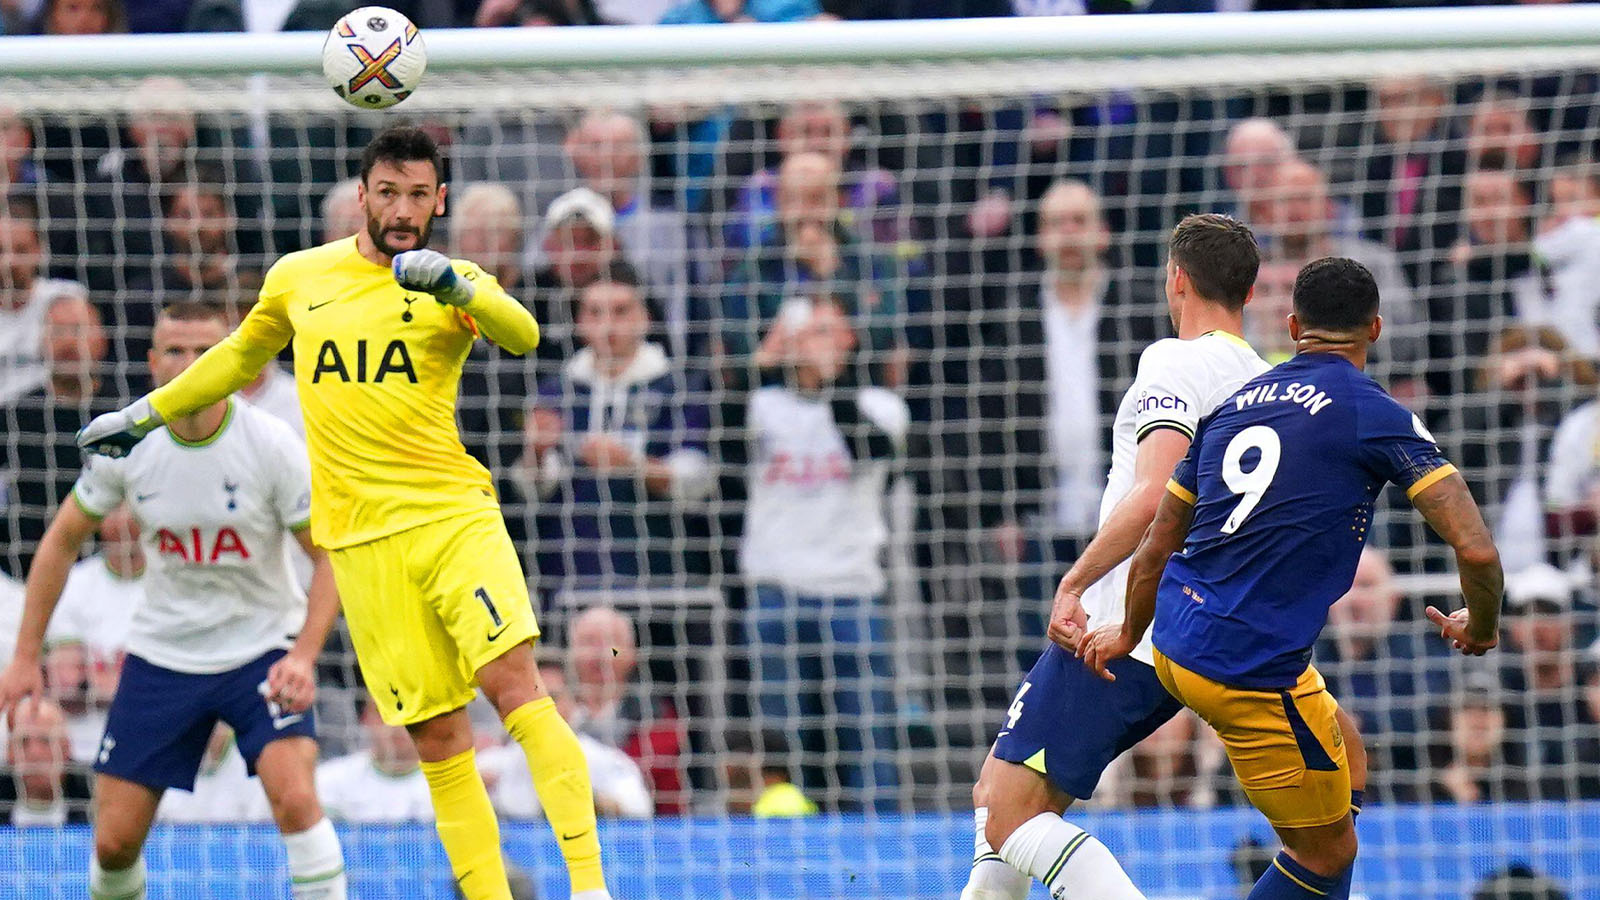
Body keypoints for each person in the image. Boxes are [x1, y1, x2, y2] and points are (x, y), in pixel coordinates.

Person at [74, 126, 612, 900]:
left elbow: (523, 335)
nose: (401, 210)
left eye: (418, 195)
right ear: (362, 195)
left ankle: (591, 888)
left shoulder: (449, 280)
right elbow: (236, 355)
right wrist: (149, 413)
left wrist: (464, 290)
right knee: (437, 740)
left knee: (516, 687)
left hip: (452, 519)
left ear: (440, 200)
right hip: (362, 545)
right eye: (387, 193)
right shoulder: (301, 277)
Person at [1081, 256, 1503, 900]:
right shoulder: (1373, 411)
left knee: (1348, 754)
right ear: (1377, 329)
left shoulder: (1233, 406)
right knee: (1327, 856)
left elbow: (1156, 545)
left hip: (1176, 637)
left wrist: (1126, 631)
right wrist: (1483, 625)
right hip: (1248, 668)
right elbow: (1476, 553)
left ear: (1293, 324)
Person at [964, 213, 1272, 900]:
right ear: (1249, 294)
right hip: (1205, 628)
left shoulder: (1174, 359)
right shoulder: (1263, 382)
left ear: (1177, 280)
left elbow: (1157, 489)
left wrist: (1075, 581)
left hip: (1125, 625)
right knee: (1005, 809)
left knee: (1006, 809)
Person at [0, 301, 347, 899]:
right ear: (153, 363)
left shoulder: (272, 445)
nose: (191, 365)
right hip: (165, 653)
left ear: (233, 363)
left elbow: (331, 557)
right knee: (112, 843)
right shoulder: (128, 441)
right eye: (176, 352)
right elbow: (58, 544)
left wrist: (304, 656)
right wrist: (26, 656)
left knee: (295, 799)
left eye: (205, 352)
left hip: (262, 649)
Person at [740, 297, 907, 811]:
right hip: (776, 587)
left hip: (850, 589)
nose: (816, 343)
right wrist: (757, 365)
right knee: (783, 736)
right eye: (807, 333)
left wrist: (829, 381)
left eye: (827, 331)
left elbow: (868, 449)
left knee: (867, 735)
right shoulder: (761, 405)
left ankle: (879, 848)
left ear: (850, 339)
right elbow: (715, 438)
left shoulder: (882, 406)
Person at [480, 662, 652, 820]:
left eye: (553, 697)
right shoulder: (496, 763)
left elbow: (640, 806)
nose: (542, 708)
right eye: (532, 698)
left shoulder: (603, 759)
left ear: (574, 701)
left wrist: (597, 803)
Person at [43, 504, 146, 762]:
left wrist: (98, 680)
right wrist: (150, 685)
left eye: (129, 509)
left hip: (153, 746)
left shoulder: (171, 584)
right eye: (113, 509)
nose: (121, 521)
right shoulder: (74, 584)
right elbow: (66, 684)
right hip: (85, 751)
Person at [316, 699, 434, 822]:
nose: (396, 724)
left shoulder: (449, 781)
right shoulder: (327, 781)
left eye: (408, 712)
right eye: (384, 713)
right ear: (365, 718)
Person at [0, 696, 94, 826]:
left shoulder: (95, 791)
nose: (35, 753)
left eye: (46, 740)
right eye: (24, 741)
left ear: (66, 748)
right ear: (9, 752)